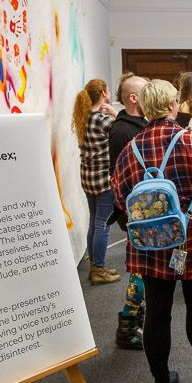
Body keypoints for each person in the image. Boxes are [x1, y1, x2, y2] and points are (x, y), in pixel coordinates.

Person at [111, 80, 192, 383]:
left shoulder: (130, 149)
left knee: (157, 310)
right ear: (171, 104)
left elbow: (120, 199)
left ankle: (161, 379)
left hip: (149, 241)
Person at [108, 72, 149, 349]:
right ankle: (127, 325)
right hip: (136, 212)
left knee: (145, 270)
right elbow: (125, 177)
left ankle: (135, 319)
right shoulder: (124, 130)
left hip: (143, 210)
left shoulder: (138, 124)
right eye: (147, 91)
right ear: (134, 98)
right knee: (141, 271)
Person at [72, 79, 121, 285]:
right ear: (103, 92)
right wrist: (115, 113)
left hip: (88, 178)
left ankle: (95, 265)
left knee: (95, 220)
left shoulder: (84, 118)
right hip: (103, 180)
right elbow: (125, 131)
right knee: (103, 223)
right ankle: (98, 269)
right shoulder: (103, 120)